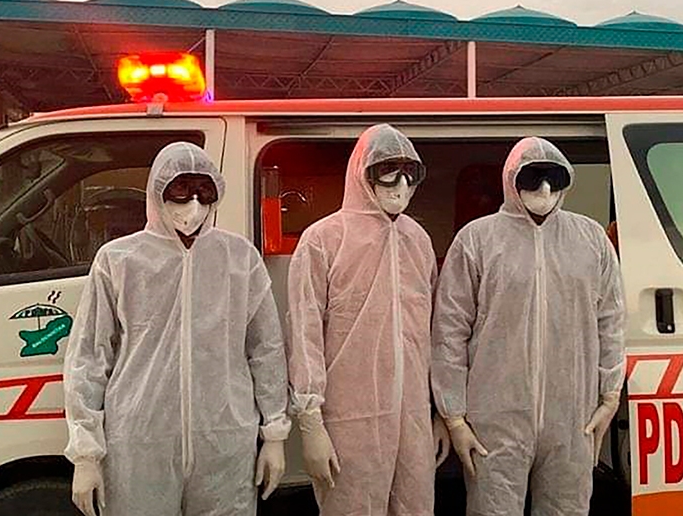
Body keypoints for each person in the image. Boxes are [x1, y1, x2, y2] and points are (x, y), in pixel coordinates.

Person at [63, 141, 290, 516]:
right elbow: (88, 355)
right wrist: (86, 453)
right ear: (158, 192)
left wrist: (275, 434)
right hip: (140, 441)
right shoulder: (120, 260)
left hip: (225, 440)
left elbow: (265, 347)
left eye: (204, 192)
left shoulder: (238, 257)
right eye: (181, 191)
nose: (194, 205)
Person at [432, 136, 625, 516]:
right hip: (494, 419)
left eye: (554, 180)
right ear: (511, 179)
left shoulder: (590, 240)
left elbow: (611, 320)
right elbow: (449, 331)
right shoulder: (477, 240)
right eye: (533, 178)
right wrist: (453, 415)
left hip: (573, 417)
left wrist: (610, 396)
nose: (544, 190)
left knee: (567, 509)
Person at [286, 124, 449, 516]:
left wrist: (441, 413)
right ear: (362, 174)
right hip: (348, 423)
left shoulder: (418, 240)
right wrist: (311, 427)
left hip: (412, 420)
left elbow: (434, 335)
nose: (400, 185)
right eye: (387, 172)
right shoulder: (324, 239)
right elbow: (304, 335)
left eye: (411, 174)